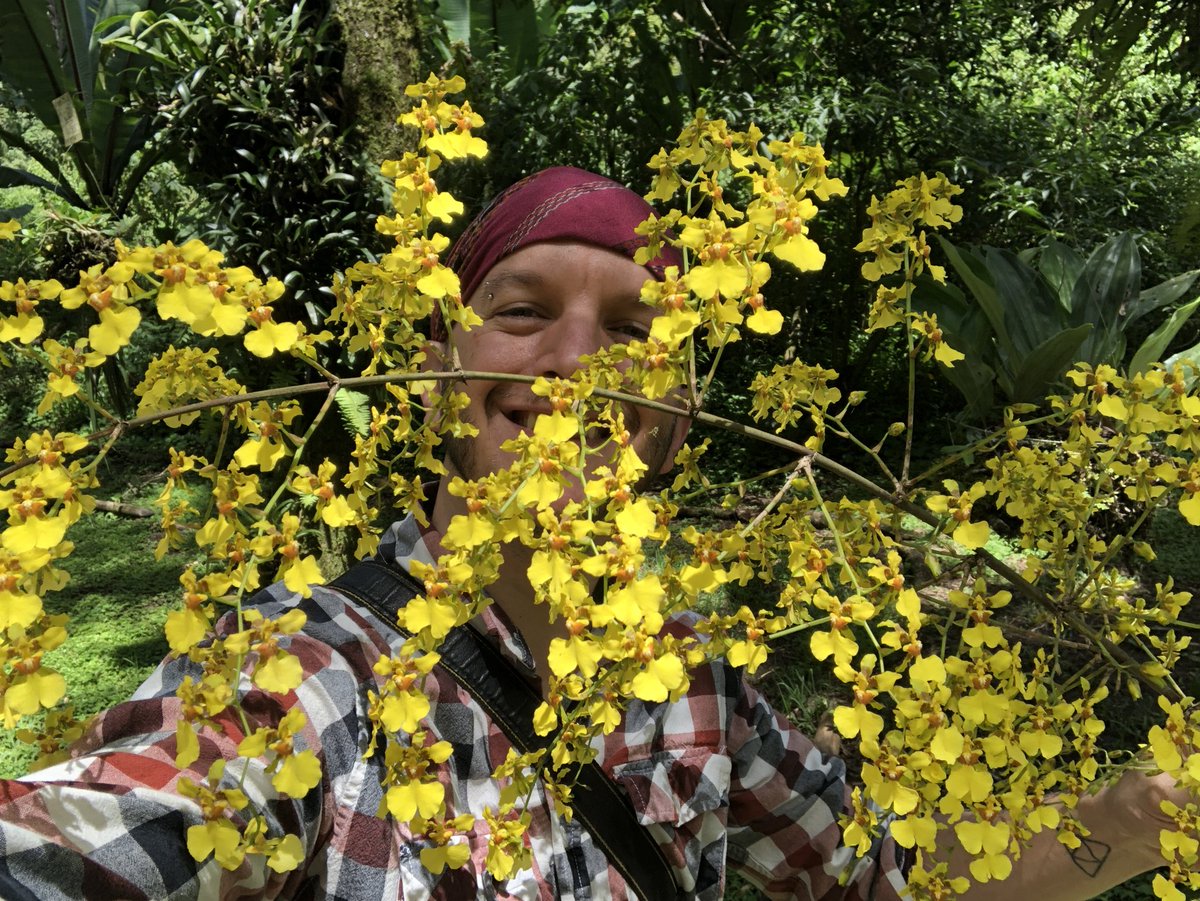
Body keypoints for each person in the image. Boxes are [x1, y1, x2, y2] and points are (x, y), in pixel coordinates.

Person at [0, 167, 1185, 901]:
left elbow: (895, 875)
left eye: (632, 329)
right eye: (521, 312)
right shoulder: (308, 682)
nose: (574, 364)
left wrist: (1138, 820)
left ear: (679, 417)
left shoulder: (693, 688)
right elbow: (87, 841)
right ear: (433, 372)